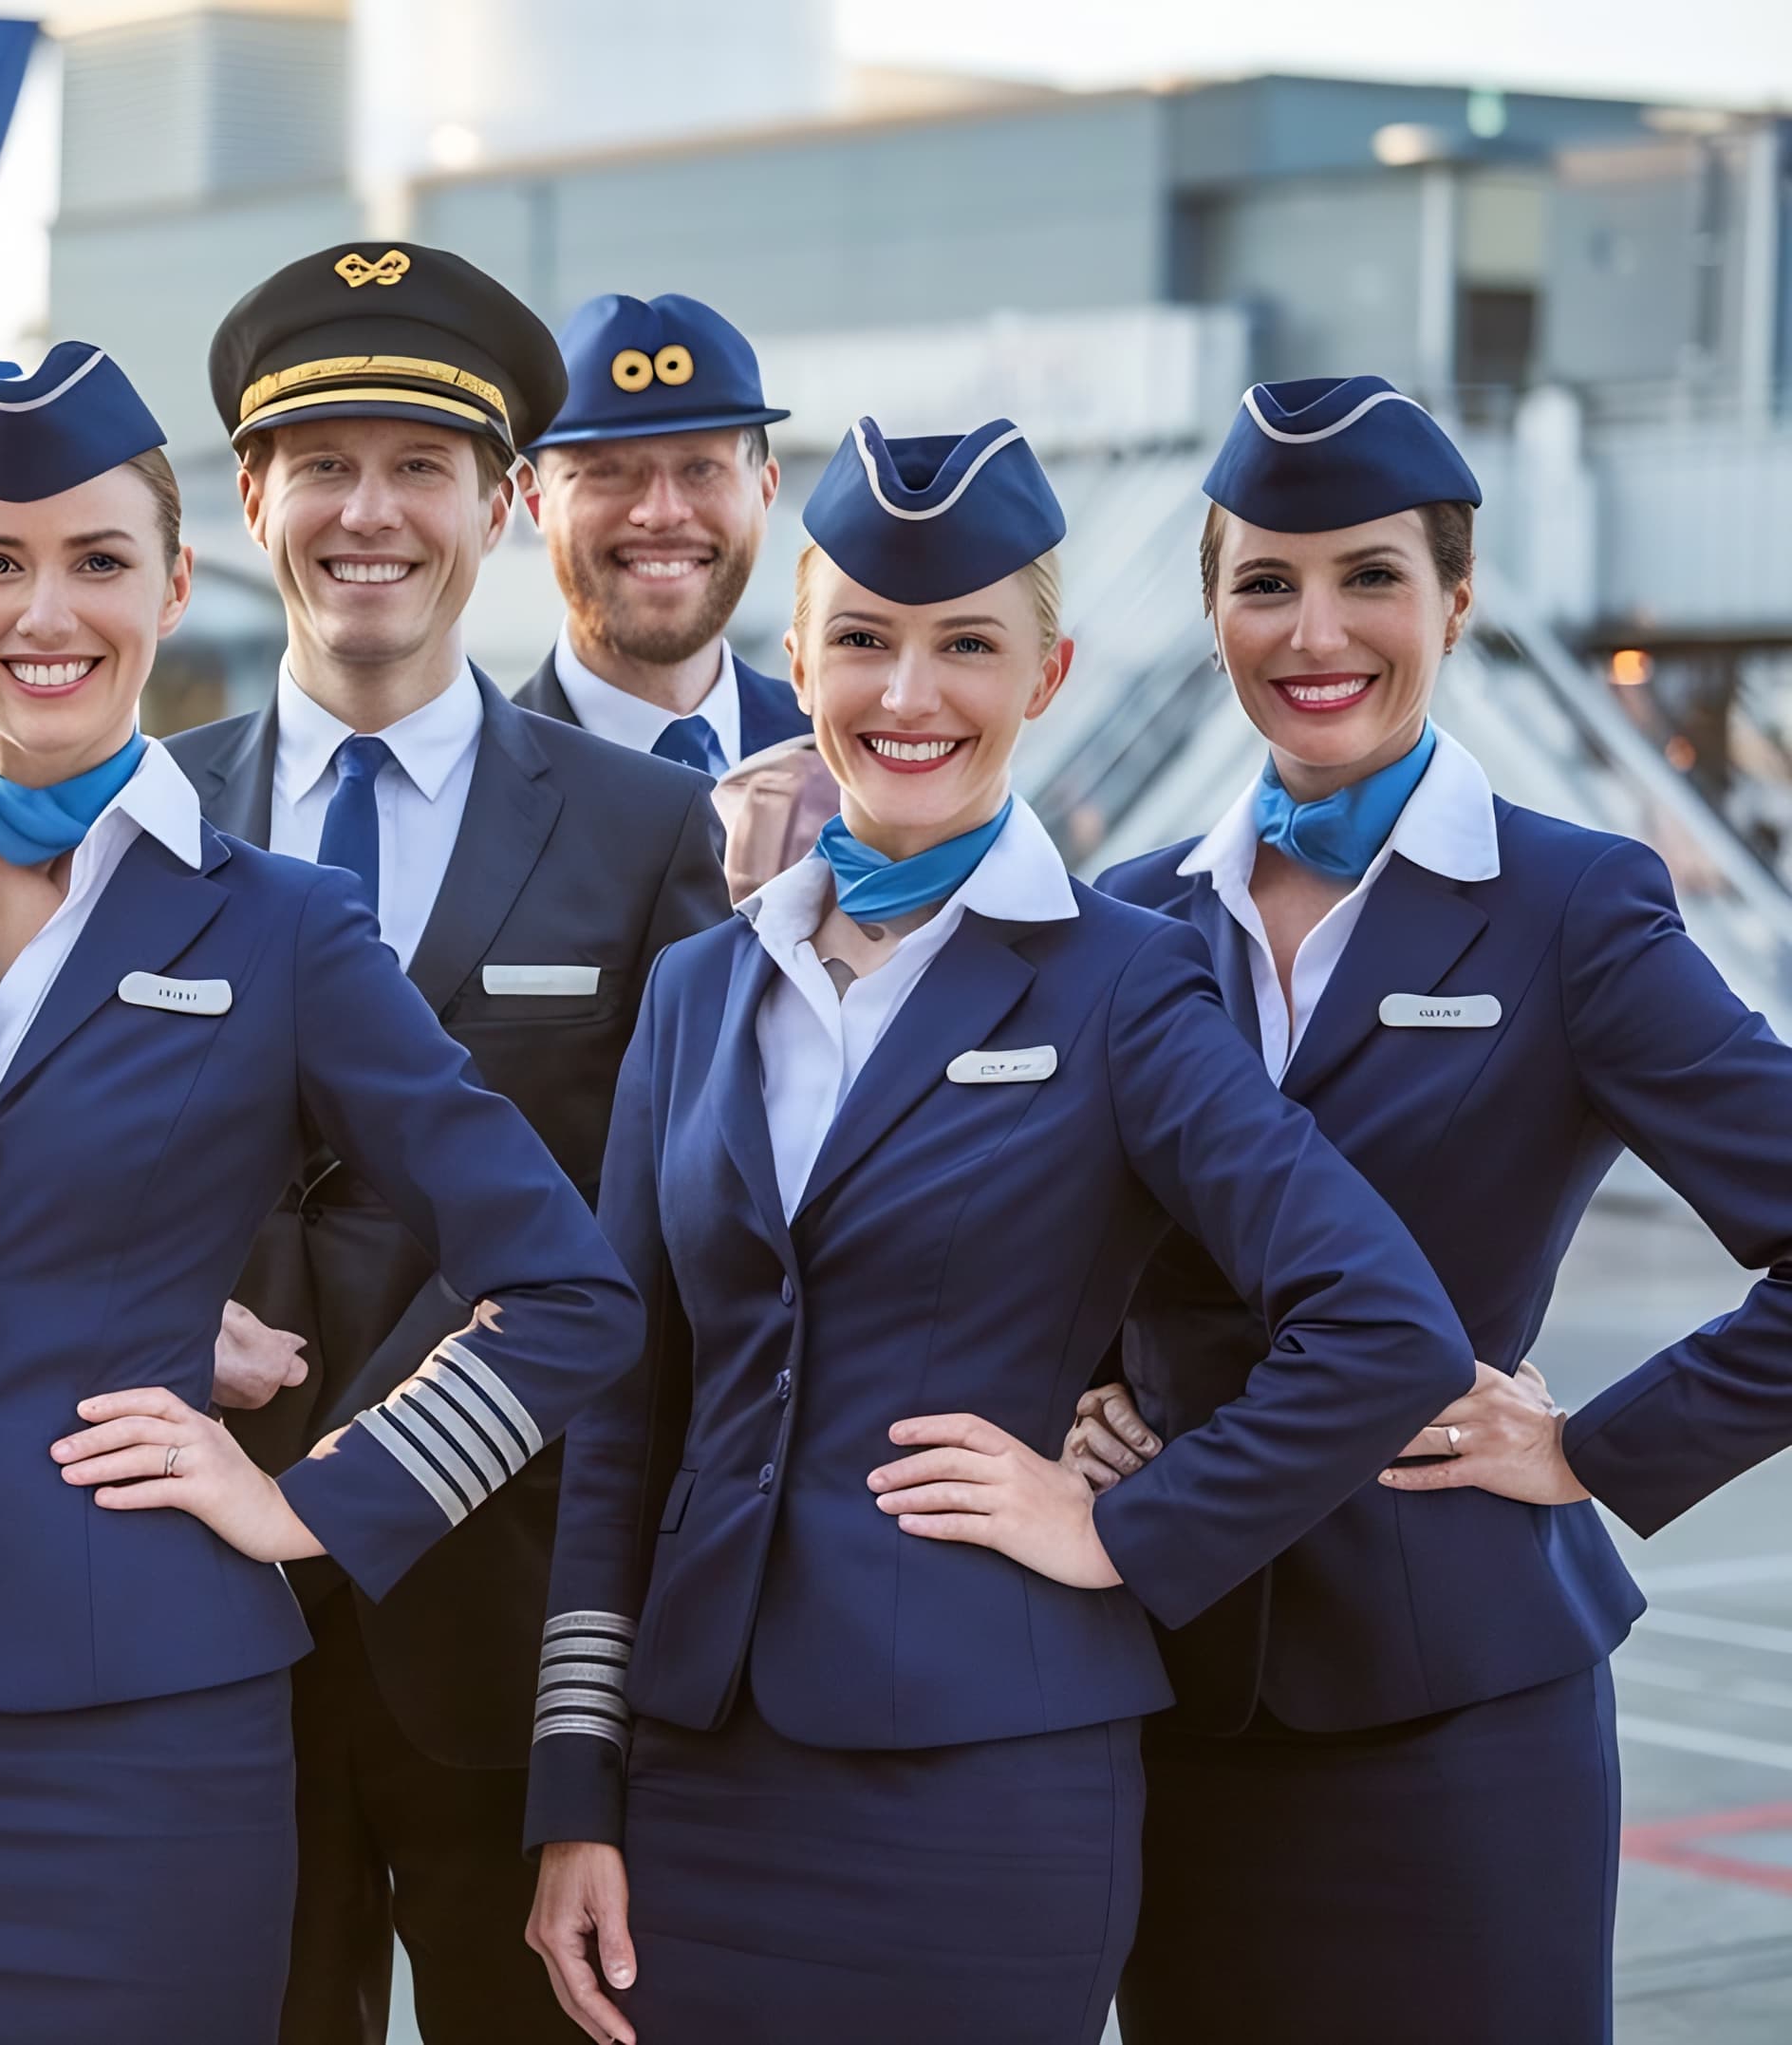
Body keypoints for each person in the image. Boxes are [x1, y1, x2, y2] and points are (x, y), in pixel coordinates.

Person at [0, 338, 648, 2045]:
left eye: (98, 561)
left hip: (150, 1726)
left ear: (176, 582)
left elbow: (571, 1292)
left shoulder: (278, 922)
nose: (46, 611)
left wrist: (320, 1501)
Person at [516, 415, 1473, 2045]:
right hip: (694, 1777)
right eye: (864, 642)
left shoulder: (1122, 982)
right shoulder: (700, 985)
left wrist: (1131, 1529)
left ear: (1048, 674)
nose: (909, 694)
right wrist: (572, 1785)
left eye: (967, 644)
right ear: (798, 662)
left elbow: (1384, 1328)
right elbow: (625, 1412)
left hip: (982, 1783)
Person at [1066, 375, 1792, 2045]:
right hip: (1173, 1685)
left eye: (1371, 577)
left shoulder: (1570, 907)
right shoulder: (1127, 918)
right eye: (1266, 581)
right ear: (1213, 611)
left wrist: (1596, 1447)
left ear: (1457, 601)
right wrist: (1083, 1389)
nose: (1316, 630)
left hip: (1457, 1709)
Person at [167, 243, 728, 2045]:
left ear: (498, 504)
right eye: (323, 465)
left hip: (503, 1603)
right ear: (251, 498)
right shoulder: (146, 819)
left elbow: (655, 1239)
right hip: (194, 1601)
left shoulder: (649, 832)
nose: (370, 513)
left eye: (421, 465)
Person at [508, 294, 807, 775]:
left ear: (765, 489)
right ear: (535, 499)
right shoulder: (470, 788)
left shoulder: (844, 764)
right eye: (608, 472)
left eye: (701, 468)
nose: (662, 512)